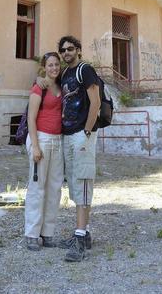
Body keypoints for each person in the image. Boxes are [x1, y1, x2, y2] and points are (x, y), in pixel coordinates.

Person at [57, 35, 101, 262]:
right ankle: (83, 233)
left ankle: (80, 238)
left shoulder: (85, 70)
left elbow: (96, 101)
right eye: (63, 50)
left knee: (83, 182)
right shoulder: (65, 73)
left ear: (79, 50)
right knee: (75, 183)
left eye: (70, 49)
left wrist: (87, 131)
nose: (66, 53)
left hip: (82, 134)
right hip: (68, 134)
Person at [24, 51, 64, 251]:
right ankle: (31, 234)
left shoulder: (61, 86)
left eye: (56, 64)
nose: (54, 68)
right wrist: (36, 146)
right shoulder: (39, 88)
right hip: (41, 138)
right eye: (50, 65)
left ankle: (47, 233)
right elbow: (31, 118)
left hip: (58, 141)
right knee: (37, 188)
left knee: (54, 188)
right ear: (44, 67)